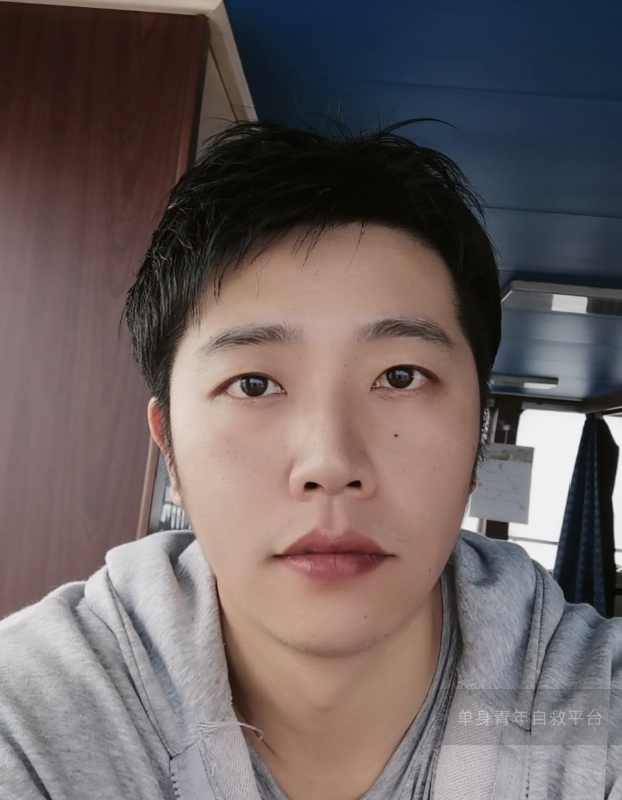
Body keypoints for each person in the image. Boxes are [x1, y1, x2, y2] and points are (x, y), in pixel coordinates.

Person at [1, 120, 621, 800]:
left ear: (478, 433)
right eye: (253, 384)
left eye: (401, 376)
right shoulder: (29, 718)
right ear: (169, 445)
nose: (329, 463)